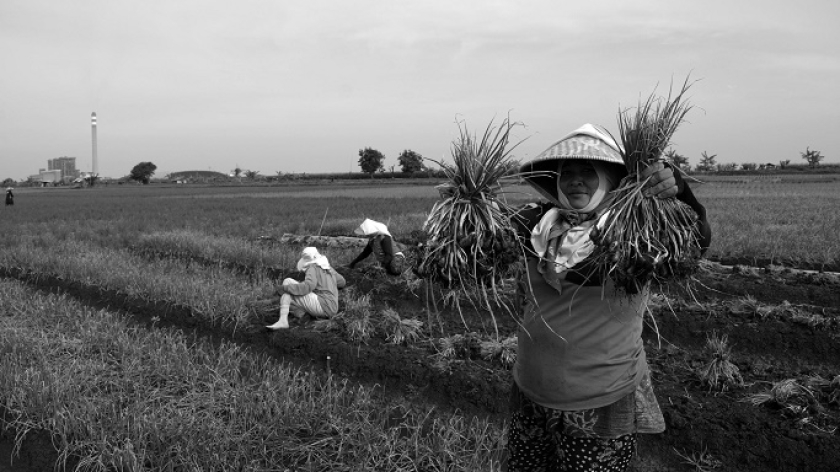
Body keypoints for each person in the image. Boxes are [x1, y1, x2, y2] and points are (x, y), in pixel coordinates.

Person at [503, 124, 712, 471]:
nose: (575, 180)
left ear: (613, 180)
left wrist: (681, 194)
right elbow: (486, 239)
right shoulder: (535, 222)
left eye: (589, 171)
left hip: (600, 397)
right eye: (567, 172)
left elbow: (695, 241)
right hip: (531, 389)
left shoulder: (634, 231)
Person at [266, 247, 346, 330]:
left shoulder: (312, 267)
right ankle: (302, 314)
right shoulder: (328, 268)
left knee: (288, 284)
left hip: (323, 306)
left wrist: (284, 288)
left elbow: (308, 286)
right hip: (333, 307)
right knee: (291, 289)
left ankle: (284, 320)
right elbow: (342, 282)